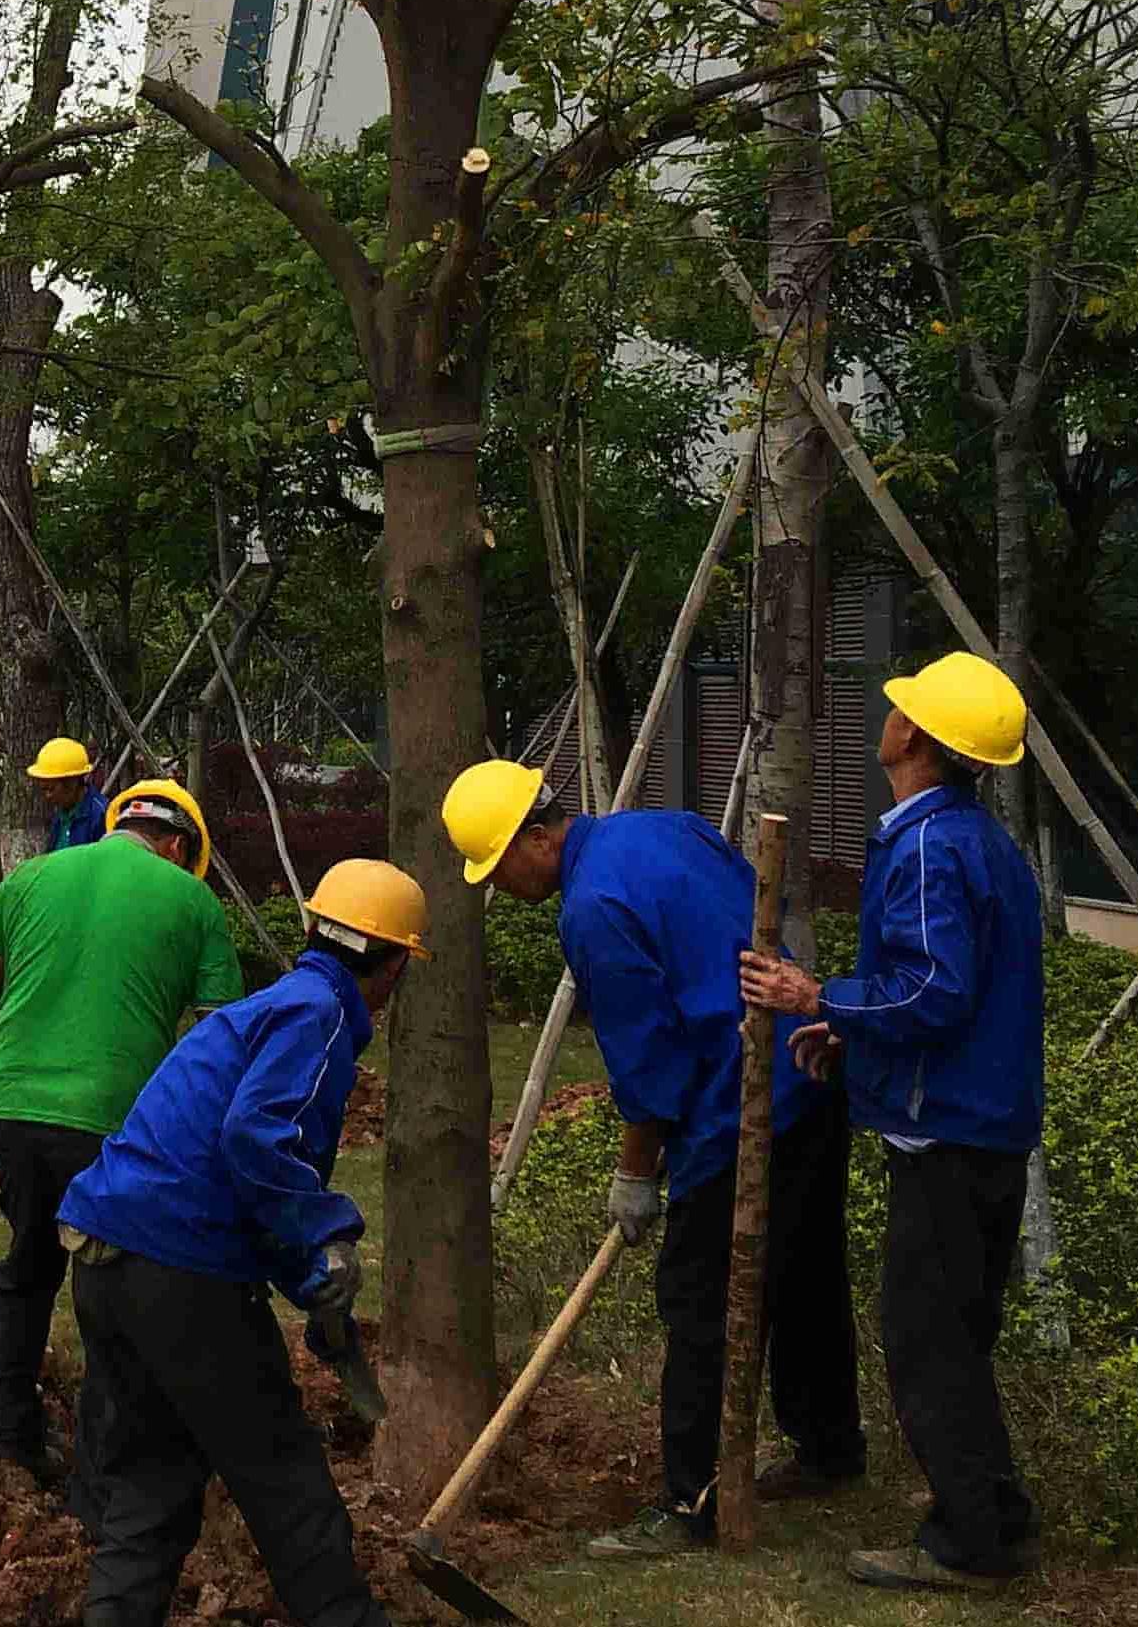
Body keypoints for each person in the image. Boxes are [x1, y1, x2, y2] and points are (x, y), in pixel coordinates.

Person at [442, 759, 865, 1557]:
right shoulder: (661, 825)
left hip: (736, 1105)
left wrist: (634, 1173)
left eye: (499, 866)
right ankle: (828, 1448)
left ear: (538, 835)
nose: (502, 885)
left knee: (695, 1300)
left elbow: (648, 1067)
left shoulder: (594, 907)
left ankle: (688, 1499)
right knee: (807, 1270)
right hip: (806, 1072)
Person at [739, 650, 1046, 1594]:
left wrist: (811, 992)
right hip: (983, 1121)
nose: (887, 718)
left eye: (897, 710)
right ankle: (997, 1513)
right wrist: (850, 1036)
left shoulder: (924, 845)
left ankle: (970, 1543)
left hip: (946, 1133)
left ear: (913, 736)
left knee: (924, 1339)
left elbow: (933, 989)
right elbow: (953, 993)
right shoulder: (982, 843)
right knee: (955, 1331)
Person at [56, 859, 426, 1627]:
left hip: (105, 1252)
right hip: (178, 1266)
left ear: (315, 930)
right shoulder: (317, 1014)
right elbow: (256, 1139)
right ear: (392, 968)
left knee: (153, 1483)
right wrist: (328, 1234)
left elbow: (251, 1183)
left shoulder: (269, 1007)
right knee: (282, 1474)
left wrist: (308, 1283)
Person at [0, 778, 243, 1489]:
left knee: (27, 1263)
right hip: (111, 1122)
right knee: (110, 1290)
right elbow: (221, 1033)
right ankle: (100, 1477)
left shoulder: (29, 878)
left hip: (12, 1108)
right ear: (177, 846)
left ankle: (8, 1434)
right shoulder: (192, 900)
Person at [30, 737, 109, 852]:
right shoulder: (61, 814)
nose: (48, 796)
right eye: (44, 790)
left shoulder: (101, 816)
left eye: (51, 789)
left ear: (72, 782)